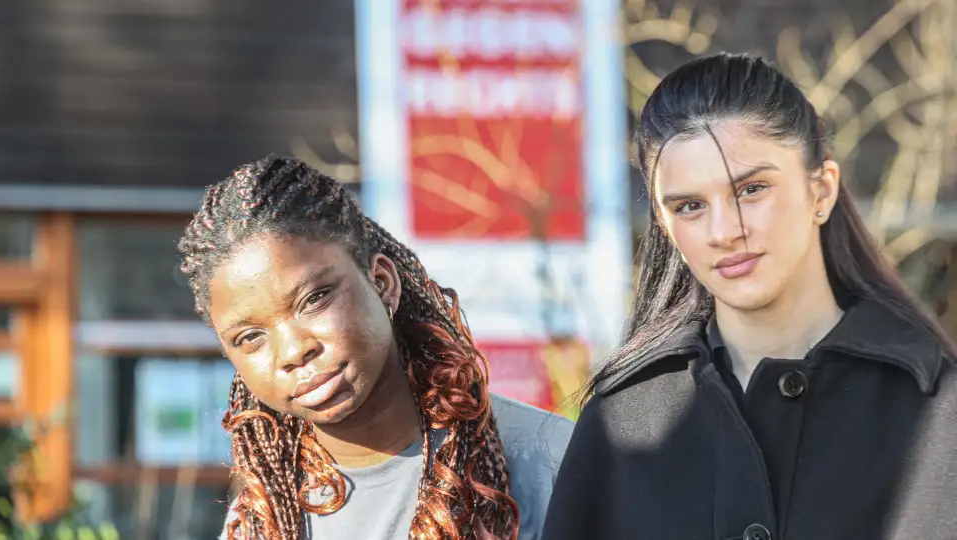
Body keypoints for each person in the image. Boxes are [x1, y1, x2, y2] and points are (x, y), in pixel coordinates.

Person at [541, 53, 957, 540]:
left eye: (751, 189)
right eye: (690, 206)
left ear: (821, 191)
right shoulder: (622, 423)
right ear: (665, 226)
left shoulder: (935, 410)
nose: (724, 231)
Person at [176, 155, 574, 540]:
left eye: (313, 299)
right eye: (250, 337)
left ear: (382, 282)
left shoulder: (554, 462)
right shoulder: (260, 520)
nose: (294, 351)